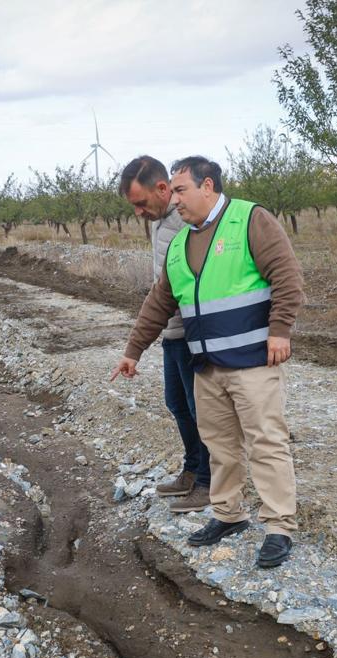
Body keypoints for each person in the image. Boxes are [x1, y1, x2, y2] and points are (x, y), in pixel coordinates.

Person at [112, 157, 304, 568]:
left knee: (266, 442)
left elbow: (287, 275)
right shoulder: (182, 242)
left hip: (253, 359)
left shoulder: (249, 219)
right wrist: (133, 350)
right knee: (219, 445)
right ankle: (228, 513)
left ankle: (278, 527)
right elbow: (159, 302)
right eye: (174, 192)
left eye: (181, 190)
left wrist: (280, 330)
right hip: (207, 363)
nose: (175, 200)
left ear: (208, 187)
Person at [117, 156, 212, 514]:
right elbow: (162, 288)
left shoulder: (190, 220)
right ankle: (192, 469)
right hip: (171, 332)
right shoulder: (160, 221)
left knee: (201, 410)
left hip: (192, 333)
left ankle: (208, 481)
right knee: (178, 405)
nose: (139, 212)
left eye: (141, 203)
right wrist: (136, 347)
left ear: (162, 189)